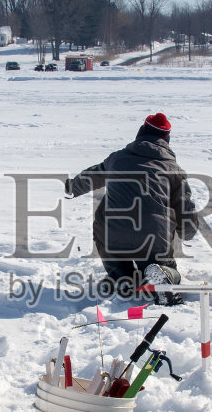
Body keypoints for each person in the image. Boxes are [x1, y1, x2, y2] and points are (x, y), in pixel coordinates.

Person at [65, 113, 199, 302]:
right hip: (152, 241)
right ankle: (164, 275)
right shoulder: (173, 169)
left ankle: (122, 278)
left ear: (141, 132)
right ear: (166, 139)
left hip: (113, 238)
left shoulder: (118, 158)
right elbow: (184, 207)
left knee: (108, 226)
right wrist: (188, 232)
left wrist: (72, 186)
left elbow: (92, 175)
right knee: (161, 269)